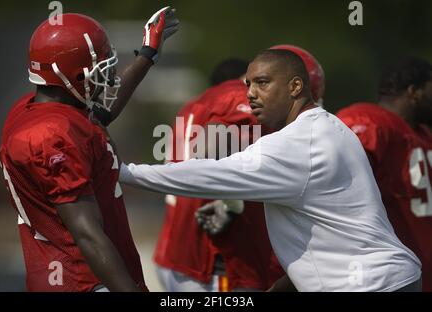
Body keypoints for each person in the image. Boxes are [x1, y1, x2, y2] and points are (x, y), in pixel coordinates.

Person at [118, 49, 422, 291]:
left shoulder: (294, 145)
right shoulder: (332, 126)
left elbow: (208, 174)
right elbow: (329, 231)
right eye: (248, 84)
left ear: (295, 86)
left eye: (263, 83)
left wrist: (125, 172)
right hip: (393, 278)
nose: (250, 94)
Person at [0, 8, 179, 292]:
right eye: (100, 72)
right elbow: (88, 234)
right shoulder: (53, 136)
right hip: (86, 282)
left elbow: (100, 112)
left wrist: (147, 55)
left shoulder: (36, 111)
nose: (107, 80)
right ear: (71, 76)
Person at [154, 57, 283, 292]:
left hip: (174, 254)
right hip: (214, 260)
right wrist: (233, 204)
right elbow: (208, 153)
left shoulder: (192, 107)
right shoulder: (235, 95)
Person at [336, 57, 432, 291]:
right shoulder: (370, 122)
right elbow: (335, 188)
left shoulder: (422, 134)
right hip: (385, 275)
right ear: (414, 92)